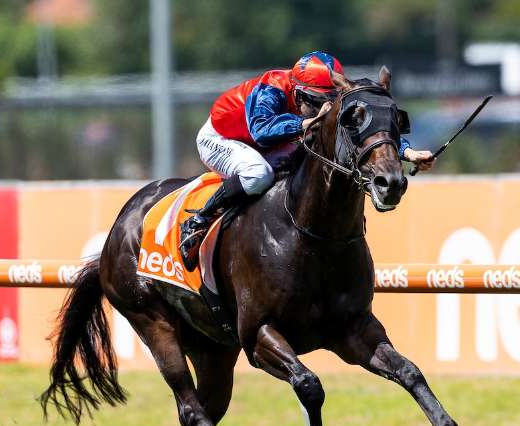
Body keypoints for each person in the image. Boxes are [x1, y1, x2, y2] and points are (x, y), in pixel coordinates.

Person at [179, 51, 434, 271]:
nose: (326, 106)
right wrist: (309, 122)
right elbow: (261, 132)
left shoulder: (323, 93)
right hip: (222, 139)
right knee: (258, 174)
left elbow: (365, 131)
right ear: (300, 95)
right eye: (319, 102)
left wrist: (407, 153)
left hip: (266, 142)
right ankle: (200, 219)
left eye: (330, 99)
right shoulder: (271, 89)